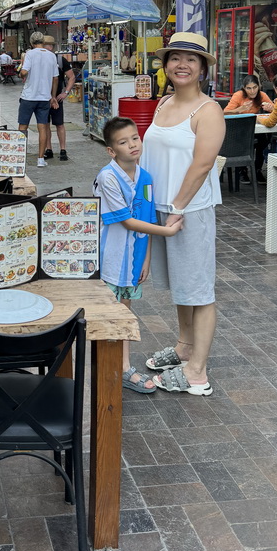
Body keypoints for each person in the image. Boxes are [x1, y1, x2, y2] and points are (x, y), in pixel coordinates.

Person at [140, 32, 226, 396]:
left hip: (188, 210)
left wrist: (176, 207)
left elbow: (203, 164)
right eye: (175, 58)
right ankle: (184, 347)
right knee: (181, 285)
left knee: (199, 288)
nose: (182, 65)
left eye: (191, 59)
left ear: (203, 68)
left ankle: (197, 373)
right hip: (160, 207)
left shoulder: (209, 110)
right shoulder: (162, 103)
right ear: (166, 65)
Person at [94, 118, 184, 393]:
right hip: (110, 258)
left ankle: (121, 367)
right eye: (123, 142)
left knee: (125, 313)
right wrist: (167, 231)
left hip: (133, 262)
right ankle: (106, 367)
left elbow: (143, 218)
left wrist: (145, 260)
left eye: (135, 138)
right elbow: (126, 221)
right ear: (111, 150)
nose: (132, 145)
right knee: (107, 313)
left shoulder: (145, 178)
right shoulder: (107, 177)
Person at [18, 31, 59, 167]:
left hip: (29, 96)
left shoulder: (30, 54)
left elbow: (24, 72)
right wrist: (52, 96)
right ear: (44, 42)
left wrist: (21, 73)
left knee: (23, 126)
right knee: (43, 127)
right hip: (44, 97)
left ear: (31, 42)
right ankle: (41, 159)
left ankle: (20, 156)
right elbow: (55, 78)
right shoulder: (52, 56)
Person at [42, 35, 75, 161]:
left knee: (59, 124)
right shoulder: (40, 60)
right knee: (45, 124)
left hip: (57, 98)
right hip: (43, 97)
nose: (48, 48)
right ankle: (48, 149)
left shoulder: (60, 60)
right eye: (45, 45)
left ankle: (62, 149)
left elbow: (71, 77)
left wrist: (66, 92)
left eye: (49, 45)